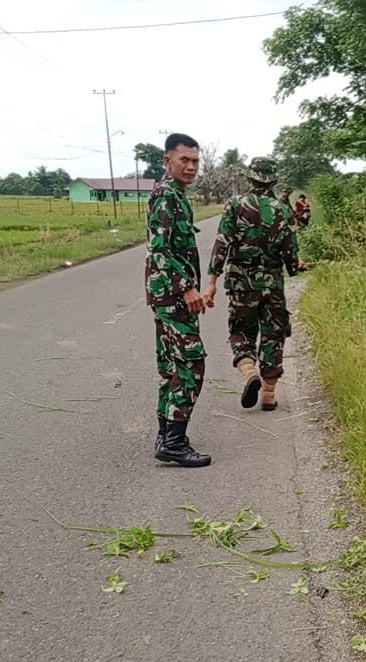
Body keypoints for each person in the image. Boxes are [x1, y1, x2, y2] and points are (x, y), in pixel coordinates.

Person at [204, 157, 303, 412]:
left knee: (241, 330)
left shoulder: (235, 205)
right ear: (273, 181)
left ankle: (249, 372)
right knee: (273, 335)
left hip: (241, 283)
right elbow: (290, 249)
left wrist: (213, 281)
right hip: (272, 284)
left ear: (250, 178)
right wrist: (294, 267)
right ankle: (269, 395)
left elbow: (221, 243)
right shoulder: (282, 209)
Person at [146, 132, 212, 467]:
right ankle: (174, 440)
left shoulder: (177, 195)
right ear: (167, 160)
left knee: (171, 366)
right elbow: (160, 250)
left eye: (195, 161)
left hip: (168, 295)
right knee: (190, 364)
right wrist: (187, 286)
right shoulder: (166, 196)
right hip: (173, 296)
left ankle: (167, 435)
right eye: (184, 160)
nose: (190, 166)